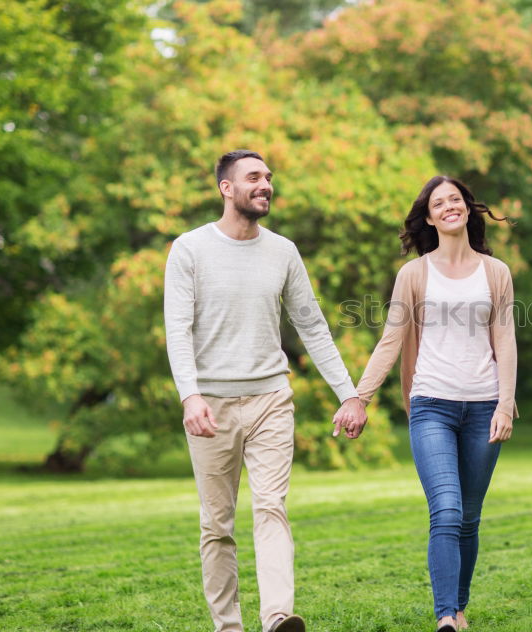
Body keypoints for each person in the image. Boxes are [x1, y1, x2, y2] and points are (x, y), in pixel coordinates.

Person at [164, 149, 366, 632]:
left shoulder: (283, 251)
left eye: (269, 178)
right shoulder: (189, 249)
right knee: (218, 525)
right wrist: (189, 396)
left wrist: (350, 393)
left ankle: (277, 619)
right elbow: (178, 328)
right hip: (210, 405)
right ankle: (228, 626)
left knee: (272, 506)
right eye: (254, 177)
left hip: (271, 399)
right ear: (226, 188)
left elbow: (312, 326)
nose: (266, 185)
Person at [340, 175, 517, 632]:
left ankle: (459, 609)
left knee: (471, 517)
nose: (448, 207)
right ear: (430, 217)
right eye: (439, 203)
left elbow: (506, 339)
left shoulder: (495, 272)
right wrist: (359, 397)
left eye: (455, 199)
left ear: (466, 209)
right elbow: (391, 340)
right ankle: (445, 619)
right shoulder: (414, 274)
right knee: (448, 509)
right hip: (431, 404)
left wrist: (505, 403)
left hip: (484, 406)